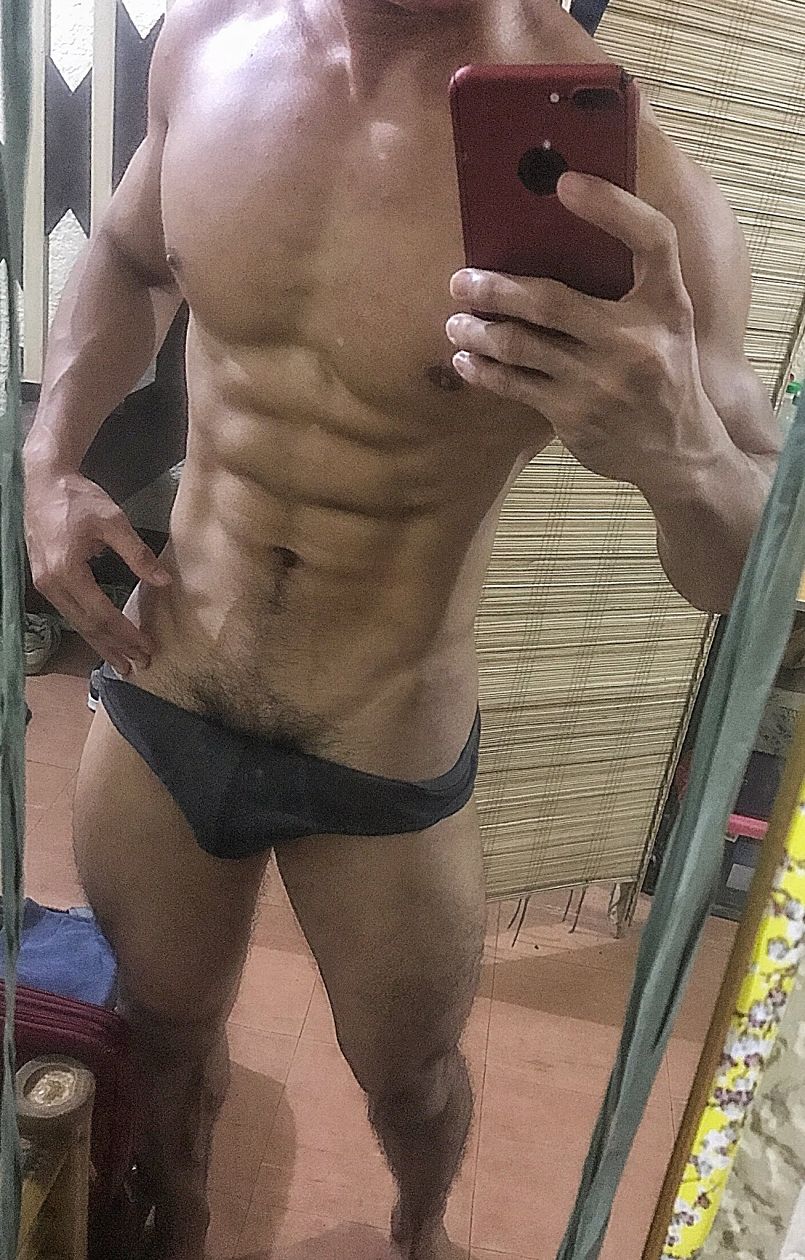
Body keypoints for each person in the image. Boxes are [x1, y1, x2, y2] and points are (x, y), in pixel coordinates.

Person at [23, 0, 780, 1255]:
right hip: (165, 676)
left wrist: (682, 453)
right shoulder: (207, 43)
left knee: (410, 1085)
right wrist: (50, 458)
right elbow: (127, 255)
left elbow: (741, 580)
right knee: (160, 1031)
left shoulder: (636, 191)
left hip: (379, 742)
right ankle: (183, 1216)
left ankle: (420, 1232)